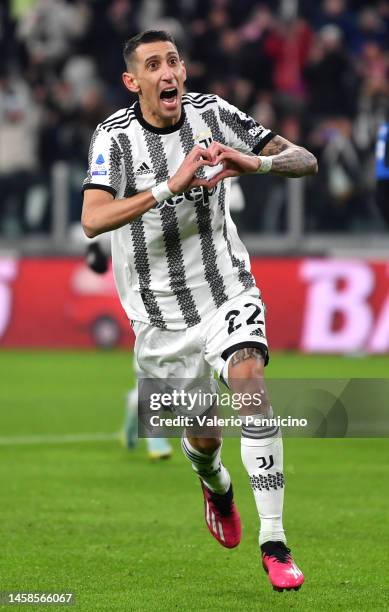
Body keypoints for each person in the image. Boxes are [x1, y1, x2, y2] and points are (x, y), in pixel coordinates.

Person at [81, 30, 317, 592]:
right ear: (131, 81)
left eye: (174, 62)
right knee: (204, 436)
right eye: (153, 65)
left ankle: (275, 542)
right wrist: (168, 186)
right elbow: (92, 219)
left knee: (250, 381)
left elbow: (303, 160)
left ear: (183, 71)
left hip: (227, 291)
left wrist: (251, 164)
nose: (168, 73)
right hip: (159, 320)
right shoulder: (112, 139)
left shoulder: (213, 113)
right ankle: (215, 485)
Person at [85, 240, 173, 460]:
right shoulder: (132, 224)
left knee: (160, 386)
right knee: (152, 381)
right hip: (148, 317)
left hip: (178, 312)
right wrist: (94, 252)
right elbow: (99, 235)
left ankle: (130, 423)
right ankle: (156, 442)